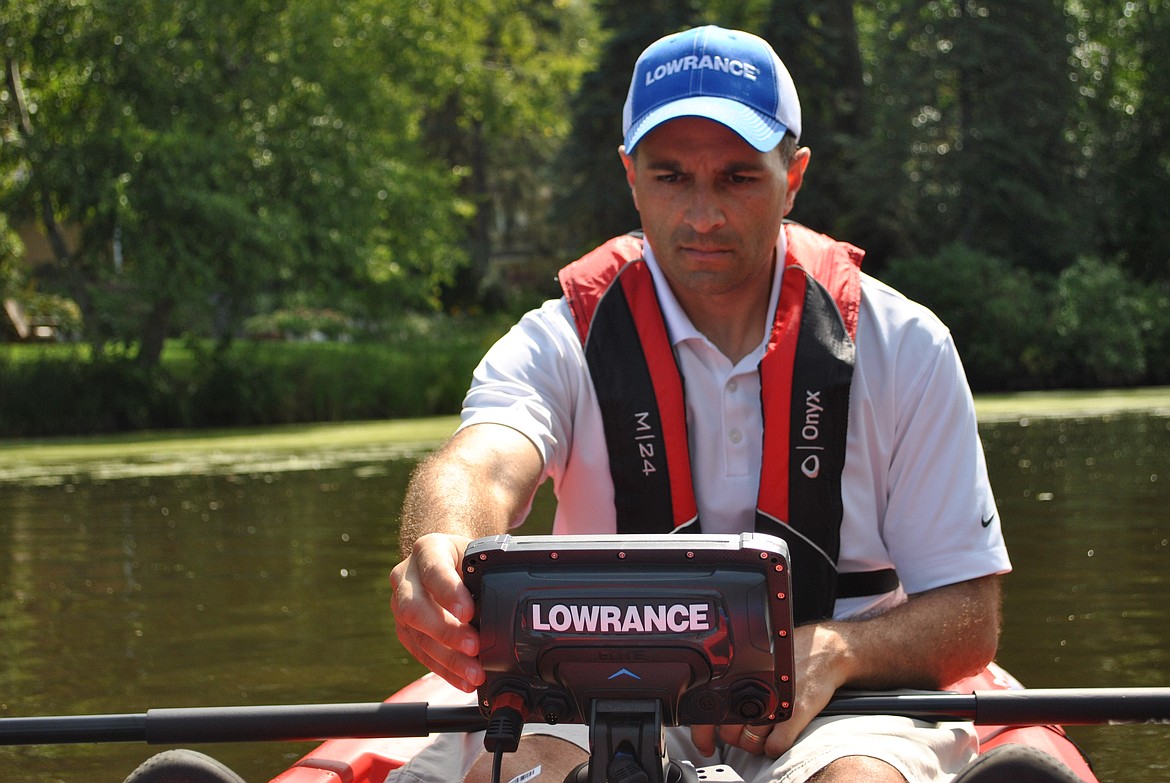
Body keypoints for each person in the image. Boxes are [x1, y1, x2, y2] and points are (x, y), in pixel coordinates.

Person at [389, 24, 1010, 783]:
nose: (704, 215)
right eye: (672, 176)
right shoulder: (561, 339)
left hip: (845, 700)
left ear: (795, 174)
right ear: (630, 176)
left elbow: (971, 617)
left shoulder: (906, 344)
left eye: (739, 178)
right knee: (536, 767)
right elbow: (478, 465)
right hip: (589, 688)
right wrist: (441, 541)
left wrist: (841, 652)